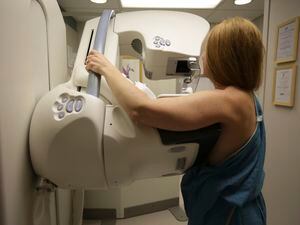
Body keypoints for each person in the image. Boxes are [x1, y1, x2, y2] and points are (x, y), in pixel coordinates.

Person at [86, 17, 266, 225]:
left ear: (223, 57)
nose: (203, 56)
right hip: (239, 211)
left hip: (230, 217)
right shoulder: (248, 99)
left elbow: (141, 109)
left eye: (208, 50)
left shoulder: (229, 100)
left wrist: (106, 68)